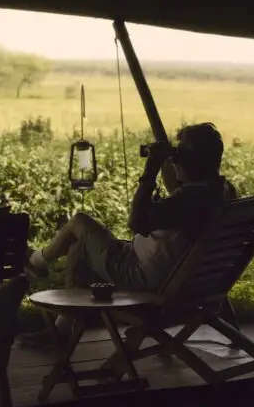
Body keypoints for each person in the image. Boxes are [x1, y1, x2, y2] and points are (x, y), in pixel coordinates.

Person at [20, 122, 237, 348]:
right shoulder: (221, 191)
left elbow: (135, 222)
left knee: (80, 223)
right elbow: (174, 203)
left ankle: (35, 262)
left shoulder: (188, 201)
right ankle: (59, 332)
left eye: (179, 153)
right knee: (79, 247)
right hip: (192, 287)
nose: (175, 159)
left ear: (194, 160)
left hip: (143, 280)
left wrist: (152, 167)